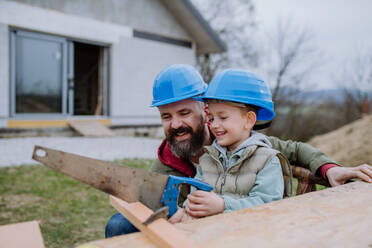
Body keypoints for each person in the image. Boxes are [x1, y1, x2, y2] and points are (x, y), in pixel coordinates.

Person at [105, 64, 372, 237]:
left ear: (204, 109)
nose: (175, 124)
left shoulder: (243, 143)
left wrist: (330, 169)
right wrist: (175, 214)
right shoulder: (167, 160)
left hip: (243, 228)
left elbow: (295, 150)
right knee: (118, 224)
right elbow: (158, 205)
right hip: (197, 229)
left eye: (184, 112)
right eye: (166, 116)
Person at [172, 69, 287, 222]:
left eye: (223, 117)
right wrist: (188, 211)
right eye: (211, 118)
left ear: (248, 120)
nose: (214, 125)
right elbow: (196, 197)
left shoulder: (267, 160)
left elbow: (269, 205)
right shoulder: (207, 159)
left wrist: (223, 205)